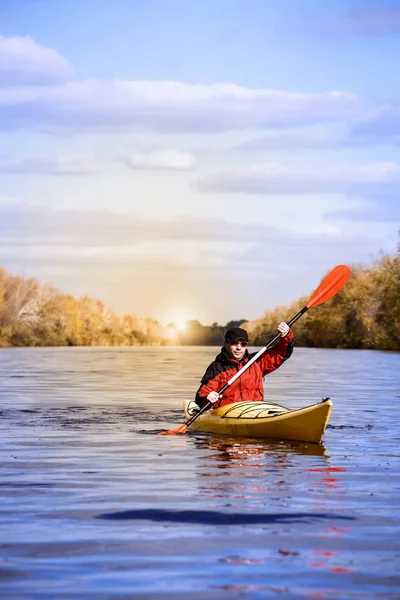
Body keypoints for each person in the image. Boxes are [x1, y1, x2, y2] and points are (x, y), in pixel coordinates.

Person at [195, 324, 294, 410]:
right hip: (227, 415)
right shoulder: (217, 368)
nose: (239, 348)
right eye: (234, 343)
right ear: (226, 343)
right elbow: (202, 394)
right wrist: (208, 396)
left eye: (243, 344)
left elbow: (281, 353)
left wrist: (286, 335)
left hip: (255, 412)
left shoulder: (256, 362)